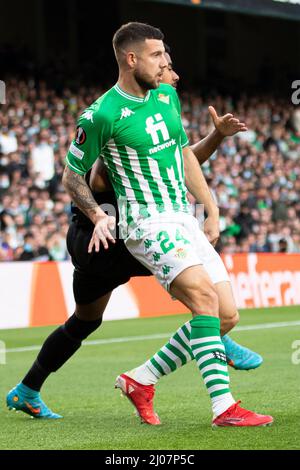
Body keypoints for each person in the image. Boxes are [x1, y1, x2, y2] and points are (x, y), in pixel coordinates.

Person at [6, 32, 263, 425]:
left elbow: (179, 158)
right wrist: (98, 215)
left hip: (149, 224)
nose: (169, 69)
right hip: (103, 239)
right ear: (131, 59)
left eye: (168, 59)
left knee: (89, 320)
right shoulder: (104, 118)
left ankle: (31, 388)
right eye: (160, 57)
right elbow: (77, 177)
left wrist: (211, 192)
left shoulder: (163, 99)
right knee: (188, 303)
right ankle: (214, 346)